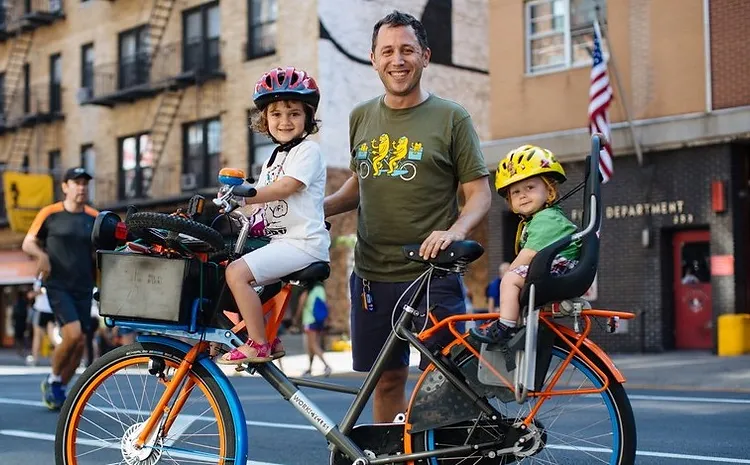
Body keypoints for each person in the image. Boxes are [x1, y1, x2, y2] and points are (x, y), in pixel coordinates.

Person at [323, 10, 492, 423]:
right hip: (372, 275)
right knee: (385, 380)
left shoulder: (452, 117)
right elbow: (361, 183)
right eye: (388, 51)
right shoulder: (361, 116)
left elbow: (479, 194)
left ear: (425, 56)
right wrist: (314, 209)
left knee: (450, 378)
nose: (397, 60)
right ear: (374, 59)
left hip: (433, 276)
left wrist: (455, 231)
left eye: (407, 50)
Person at [217, 66, 331, 365]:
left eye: (294, 113)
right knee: (234, 274)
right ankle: (269, 336)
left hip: (302, 243)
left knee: (236, 273)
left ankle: (258, 344)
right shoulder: (274, 157)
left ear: (307, 117)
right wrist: (235, 205)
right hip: (282, 242)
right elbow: (263, 202)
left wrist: (246, 191)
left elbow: (285, 188)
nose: (285, 121)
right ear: (264, 119)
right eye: (276, 114)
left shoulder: (308, 151)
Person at [470, 145, 581, 345]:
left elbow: (528, 254)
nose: (522, 195)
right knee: (514, 280)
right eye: (515, 192)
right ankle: (514, 323)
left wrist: (509, 274)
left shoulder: (547, 218)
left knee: (511, 279)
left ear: (549, 191)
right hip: (556, 268)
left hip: (559, 269)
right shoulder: (538, 219)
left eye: (530, 188)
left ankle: (504, 328)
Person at [22, 167, 98, 410]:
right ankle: (53, 379)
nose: (82, 187)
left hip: (84, 286)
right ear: (65, 186)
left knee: (79, 344)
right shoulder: (50, 213)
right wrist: (41, 256)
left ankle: (59, 387)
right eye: (76, 182)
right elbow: (28, 242)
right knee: (73, 334)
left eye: (85, 183)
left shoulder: (94, 217)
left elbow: (106, 251)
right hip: (58, 285)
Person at [298, 280, 333, 377]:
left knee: (312, 345)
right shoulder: (321, 289)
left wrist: (295, 320)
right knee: (312, 346)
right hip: (319, 320)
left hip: (309, 320)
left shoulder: (308, 291)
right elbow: (325, 303)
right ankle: (309, 368)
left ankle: (327, 366)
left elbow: (301, 305)